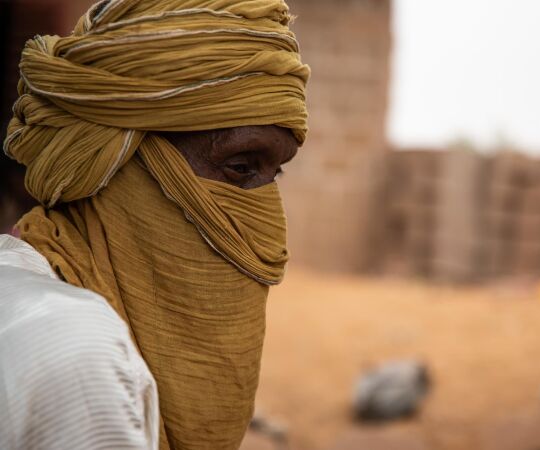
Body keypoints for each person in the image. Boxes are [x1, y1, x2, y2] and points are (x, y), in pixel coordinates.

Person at [0, 1, 309, 449]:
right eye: (241, 167)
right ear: (112, 157)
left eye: (274, 173)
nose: (269, 219)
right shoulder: (81, 354)